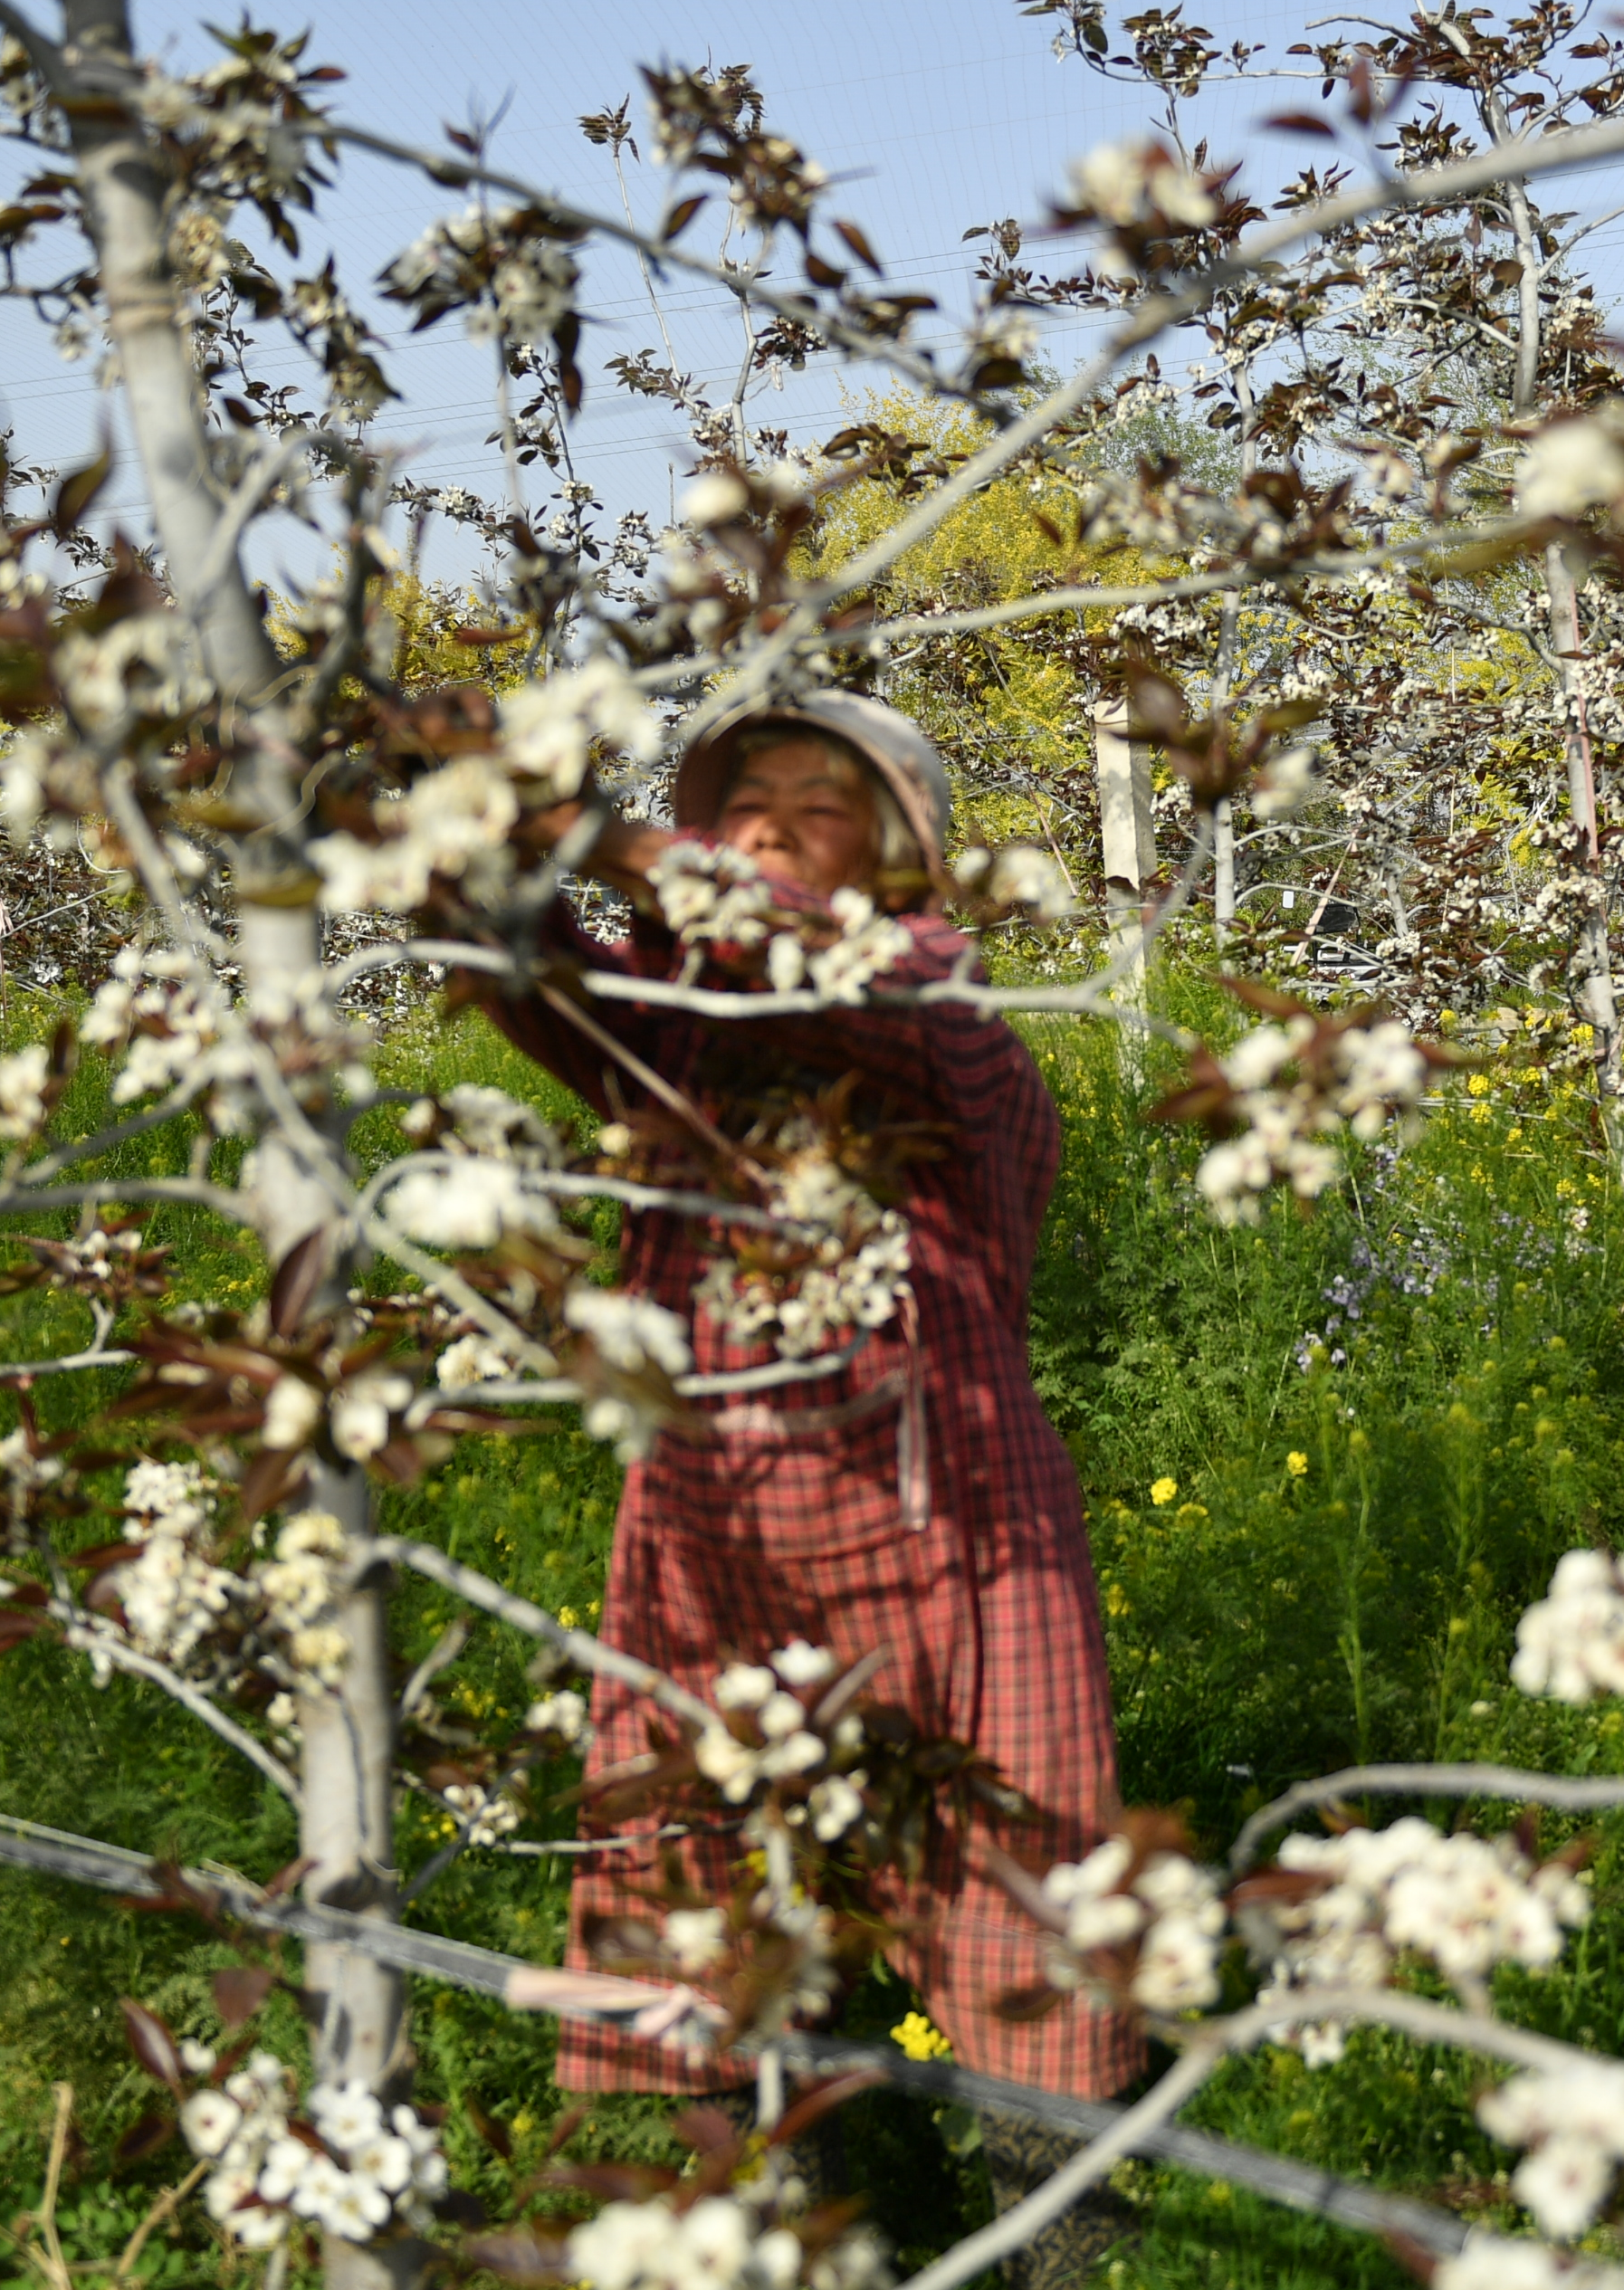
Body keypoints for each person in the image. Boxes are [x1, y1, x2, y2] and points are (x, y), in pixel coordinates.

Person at [469, 689, 1139, 2282]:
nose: (756, 823)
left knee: (1019, 1924)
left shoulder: (937, 1003)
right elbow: (522, 967)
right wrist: (425, 822)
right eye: (734, 797)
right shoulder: (684, 1036)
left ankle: (1067, 2248)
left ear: (903, 855)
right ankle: (787, 2240)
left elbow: (799, 947)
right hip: (711, 1551)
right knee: (716, 1932)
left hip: (957, 1547)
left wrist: (586, 824)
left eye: (809, 802)